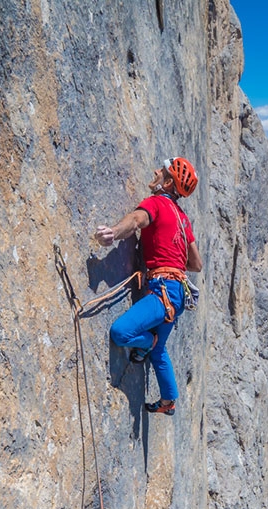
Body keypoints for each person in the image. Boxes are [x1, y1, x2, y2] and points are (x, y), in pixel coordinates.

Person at [95, 157, 203, 416]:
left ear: (167, 182)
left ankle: (147, 342)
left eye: (162, 171)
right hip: (176, 295)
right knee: (160, 352)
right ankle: (169, 401)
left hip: (161, 291)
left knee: (121, 332)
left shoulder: (155, 203)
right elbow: (197, 264)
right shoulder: (183, 218)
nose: (155, 171)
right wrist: (172, 260)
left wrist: (113, 232)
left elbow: (135, 220)